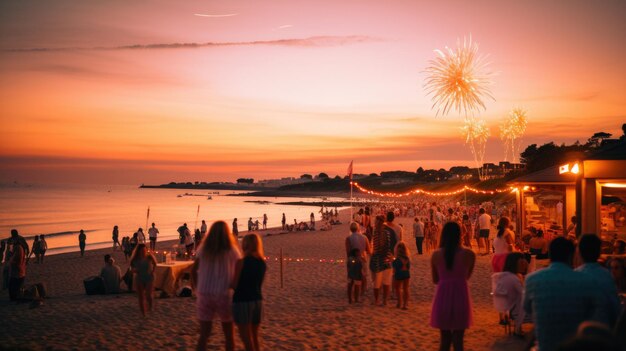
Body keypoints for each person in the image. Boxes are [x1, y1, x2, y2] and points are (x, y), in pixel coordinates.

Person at [523, 237, 603, 351]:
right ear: (571, 256)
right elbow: (592, 311)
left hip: (545, 345)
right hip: (575, 344)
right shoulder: (585, 280)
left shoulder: (532, 279)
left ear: (550, 254)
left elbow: (527, 308)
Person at [192, 221, 242, 351]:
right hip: (224, 293)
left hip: (204, 294)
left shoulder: (203, 249)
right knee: (229, 335)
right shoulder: (232, 250)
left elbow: (193, 270)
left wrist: (196, 287)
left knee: (204, 334)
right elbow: (240, 266)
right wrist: (234, 284)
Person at [431, 222, 475, 351]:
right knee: (458, 341)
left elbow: (435, 280)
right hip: (461, 295)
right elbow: (467, 276)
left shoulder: (436, 255)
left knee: (444, 341)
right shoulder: (470, 254)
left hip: (443, 295)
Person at [575, 234, 620, 327]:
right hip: (603, 332)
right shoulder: (606, 276)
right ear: (599, 252)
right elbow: (615, 310)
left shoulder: (574, 276)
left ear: (579, 252)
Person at [232, 233, 267, 351]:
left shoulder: (241, 262)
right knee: (255, 336)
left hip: (242, 300)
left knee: (246, 338)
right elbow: (259, 282)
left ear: (245, 245)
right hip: (257, 300)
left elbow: (235, 285)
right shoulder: (262, 263)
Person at [491, 252, 528, 335]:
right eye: (522, 262)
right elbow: (522, 293)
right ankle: (518, 329)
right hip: (514, 309)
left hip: (507, 307)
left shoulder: (504, 276)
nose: (524, 264)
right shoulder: (513, 278)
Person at [369, 215, 394, 306]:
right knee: (386, 281)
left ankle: (376, 301)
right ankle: (385, 301)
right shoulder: (387, 232)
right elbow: (389, 245)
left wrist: (373, 254)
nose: (374, 223)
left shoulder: (376, 233)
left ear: (377, 223)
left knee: (377, 282)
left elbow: (376, 248)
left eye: (375, 222)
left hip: (378, 259)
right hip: (387, 258)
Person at [130, 244, 156, 316]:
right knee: (141, 297)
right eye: (142, 250)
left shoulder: (149, 257)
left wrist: (153, 271)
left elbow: (155, 264)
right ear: (138, 251)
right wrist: (134, 270)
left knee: (148, 295)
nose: (143, 252)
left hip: (149, 277)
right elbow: (131, 268)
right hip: (139, 278)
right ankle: (143, 313)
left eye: (144, 250)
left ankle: (150, 307)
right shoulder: (135, 259)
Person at [345, 222, 371, 295]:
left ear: (350, 229)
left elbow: (348, 252)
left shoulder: (348, 238)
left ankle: (353, 292)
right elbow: (369, 250)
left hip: (353, 259)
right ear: (358, 228)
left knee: (352, 276)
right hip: (362, 258)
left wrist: (349, 261)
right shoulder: (364, 237)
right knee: (363, 275)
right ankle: (363, 291)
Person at [8, 232, 26, 301]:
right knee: (14, 287)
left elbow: (16, 259)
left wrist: (11, 260)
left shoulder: (18, 247)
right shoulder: (19, 246)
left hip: (18, 272)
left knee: (12, 287)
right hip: (20, 271)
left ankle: (15, 298)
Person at [393, 242, 410, 310]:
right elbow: (408, 267)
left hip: (399, 274)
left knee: (398, 288)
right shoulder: (407, 258)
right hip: (406, 273)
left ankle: (399, 303)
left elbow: (395, 268)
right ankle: (405, 304)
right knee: (405, 289)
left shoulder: (397, 259)